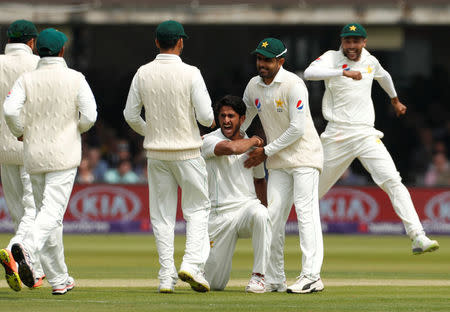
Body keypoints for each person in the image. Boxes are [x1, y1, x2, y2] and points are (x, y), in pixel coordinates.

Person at [303, 22, 439, 254]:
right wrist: (342, 72)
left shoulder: (370, 60)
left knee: (393, 180)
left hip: (366, 133)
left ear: (364, 42)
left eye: (357, 41)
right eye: (348, 41)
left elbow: (384, 76)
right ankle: (274, 227)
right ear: (342, 41)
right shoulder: (331, 58)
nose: (352, 45)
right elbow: (309, 73)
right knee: (310, 193)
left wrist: (395, 100)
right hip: (338, 134)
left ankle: (418, 236)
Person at [4, 28, 97, 294]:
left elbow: (10, 109)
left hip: (33, 154)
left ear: (38, 50)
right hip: (63, 155)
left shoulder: (27, 79)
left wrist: (20, 131)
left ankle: (59, 280)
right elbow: (90, 115)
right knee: (52, 213)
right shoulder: (75, 78)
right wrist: (74, 129)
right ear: (62, 51)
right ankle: (22, 249)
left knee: (50, 218)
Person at [124, 20, 214, 293]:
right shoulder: (191, 72)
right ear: (181, 42)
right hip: (187, 151)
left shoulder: (143, 72)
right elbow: (207, 117)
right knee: (198, 210)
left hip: (156, 153)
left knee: (162, 217)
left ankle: (166, 277)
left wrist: (152, 131)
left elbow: (130, 115)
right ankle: (191, 263)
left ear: (156, 42)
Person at [242, 38, 324, 294]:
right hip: (278, 162)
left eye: (267, 60)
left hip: (305, 157)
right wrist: (222, 144)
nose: (261, 64)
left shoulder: (293, 84)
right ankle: (275, 278)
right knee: (272, 217)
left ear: (280, 61)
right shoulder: (253, 86)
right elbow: (244, 121)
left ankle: (311, 276)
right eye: (259, 59)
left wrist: (265, 151)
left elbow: (297, 128)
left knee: (305, 213)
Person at [202, 95, 271, 293]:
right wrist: (256, 140)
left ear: (242, 119)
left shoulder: (252, 146)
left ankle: (259, 277)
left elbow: (259, 180)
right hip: (219, 215)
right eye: (222, 115)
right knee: (214, 285)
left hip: (246, 210)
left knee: (261, 214)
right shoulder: (209, 140)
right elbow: (232, 148)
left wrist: (266, 218)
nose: (226, 120)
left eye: (231, 116)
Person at [0, 19, 46, 291]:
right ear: (31, 42)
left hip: (3, 147)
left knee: (20, 212)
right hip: (30, 144)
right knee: (35, 211)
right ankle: (12, 252)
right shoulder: (38, 64)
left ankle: (34, 270)